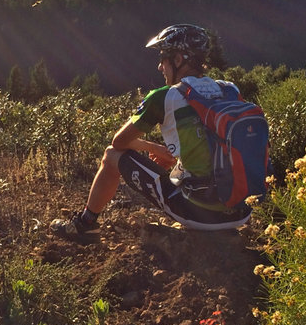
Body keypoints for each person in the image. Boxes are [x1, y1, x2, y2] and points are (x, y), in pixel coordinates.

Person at [50, 23, 252, 241]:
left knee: (111, 155)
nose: (159, 67)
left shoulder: (165, 96)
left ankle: (85, 225)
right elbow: (214, 146)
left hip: (199, 215)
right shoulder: (230, 89)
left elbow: (119, 142)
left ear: (178, 60)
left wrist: (153, 147)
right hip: (241, 211)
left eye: (163, 58)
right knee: (184, 174)